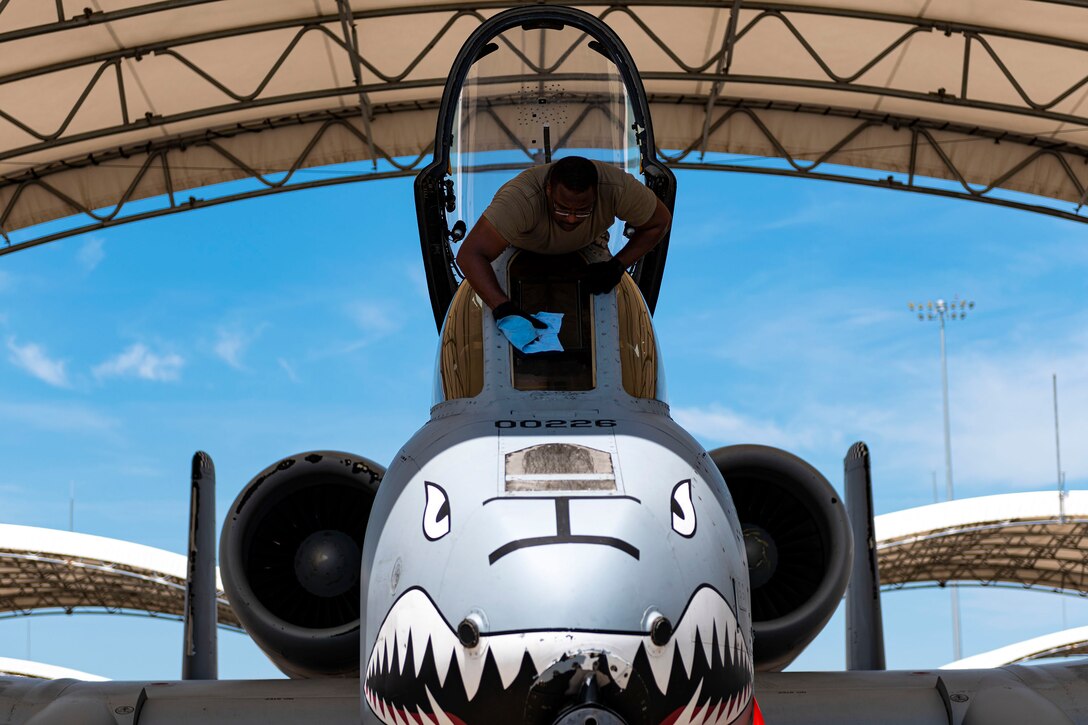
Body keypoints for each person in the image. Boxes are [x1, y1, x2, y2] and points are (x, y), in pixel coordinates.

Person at [456, 155, 672, 350]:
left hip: (588, 243)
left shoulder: (617, 187)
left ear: (596, 193)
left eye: (582, 210)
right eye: (562, 208)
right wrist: (502, 308)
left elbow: (659, 222)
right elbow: (470, 254)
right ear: (548, 189)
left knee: (606, 327)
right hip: (519, 245)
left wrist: (618, 265)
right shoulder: (520, 199)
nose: (571, 219)